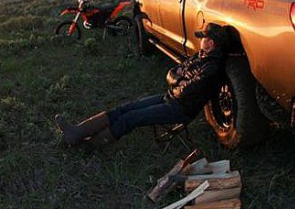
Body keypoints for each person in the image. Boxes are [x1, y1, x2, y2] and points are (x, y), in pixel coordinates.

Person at [55, 23, 228, 150]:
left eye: (203, 38)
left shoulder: (211, 68)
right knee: (124, 108)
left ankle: (88, 146)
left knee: (131, 118)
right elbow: (174, 71)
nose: (200, 40)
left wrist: (178, 80)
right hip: (170, 97)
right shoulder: (201, 56)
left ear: (211, 43)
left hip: (180, 109)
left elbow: (187, 91)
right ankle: (78, 131)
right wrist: (177, 80)